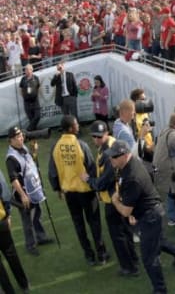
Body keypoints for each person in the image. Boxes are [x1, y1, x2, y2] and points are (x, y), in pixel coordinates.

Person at [109, 140, 175, 294]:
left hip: (149, 216)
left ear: (125, 155)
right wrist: (131, 210)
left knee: (149, 257)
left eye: (114, 156)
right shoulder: (128, 165)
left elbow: (125, 211)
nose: (111, 159)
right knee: (158, 242)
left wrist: (115, 202)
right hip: (151, 212)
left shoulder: (132, 175)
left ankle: (160, 290)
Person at [48, 115, 109, 265]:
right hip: (86, 192)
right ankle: (101, 255)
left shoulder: (55, 146)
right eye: (76, 124)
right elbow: (90, 167)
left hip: (69, 194)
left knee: (78, 225)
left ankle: (89, 256)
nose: (78, 126)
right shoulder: (81, 145)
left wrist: (58, 189)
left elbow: (52, 171)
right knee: (94, 223)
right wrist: (96, 186)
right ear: (70, 128)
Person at [82, 121, 139, 276]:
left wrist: (88, 180)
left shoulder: (109, 153)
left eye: (99, 136)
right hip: (119, 196)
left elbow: (103, 182)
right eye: (94, 136)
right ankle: (133, 261)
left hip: (114, 200)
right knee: (125, 232)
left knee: (118, 236)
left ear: (107, 133)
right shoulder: (109, 146)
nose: (96, 139)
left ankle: (129, 267)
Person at [6, 127, 51, 257]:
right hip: (24, 195)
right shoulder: (11, 158)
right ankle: (30, 245)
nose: (21, 138)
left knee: (37, 214)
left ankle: (41, 237)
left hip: (33, 190)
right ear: (11, 140)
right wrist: (23, 195)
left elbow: (29, 163)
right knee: (28, 221)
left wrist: (34, 152)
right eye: (18, 137)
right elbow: (13, 179)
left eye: (21, 136)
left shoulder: (23, 148)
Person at [0, 163, 29, 294]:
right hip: (1, 220)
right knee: (11, 253)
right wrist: (8, 213)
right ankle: (24, 284)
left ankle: (9, 290)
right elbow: (5, 192)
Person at [18, 65, 40, 131]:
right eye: (26, 70)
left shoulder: (36, 78)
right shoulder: (23, 79)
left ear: (32, 70)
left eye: (28, 69)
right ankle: (34, 132)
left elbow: (38, 88)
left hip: (35, 101)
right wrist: (24, 96)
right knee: (31, 118)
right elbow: (21, 89)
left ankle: (28, 130)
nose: (27, 71)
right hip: (27, 102)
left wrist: (35, 94)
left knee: (37, 116)